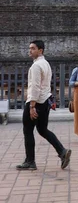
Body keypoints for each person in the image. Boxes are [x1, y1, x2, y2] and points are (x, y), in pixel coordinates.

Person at [16, 40, 71, 171]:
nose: (30, 51)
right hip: (45, 100)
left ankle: (30, 161)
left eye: (33, 48)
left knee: (28, 130)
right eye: (29, 48)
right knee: (42, 130)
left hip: (36, 102)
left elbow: (35, 86)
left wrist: (32, 106)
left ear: (40, 50)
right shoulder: (45, 63)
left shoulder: (36, 66)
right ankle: (62, 151)